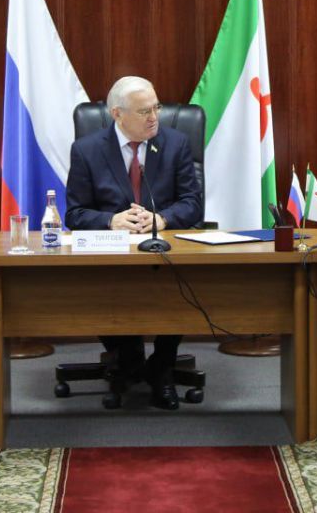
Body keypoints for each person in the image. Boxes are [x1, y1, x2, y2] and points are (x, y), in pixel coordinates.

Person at [66, 76, 203, 410]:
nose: (154, 117)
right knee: (104, 286)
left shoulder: (176, 143)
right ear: (117, 114)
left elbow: (193, 204)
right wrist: (109, 220)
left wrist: (163, 219)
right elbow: (74, 213)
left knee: (181, 282)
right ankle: (129, 358)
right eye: (144, 111)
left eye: (156, 108)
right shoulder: (86, 150)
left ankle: (162, 365)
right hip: (111, 257)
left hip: (165, 254)